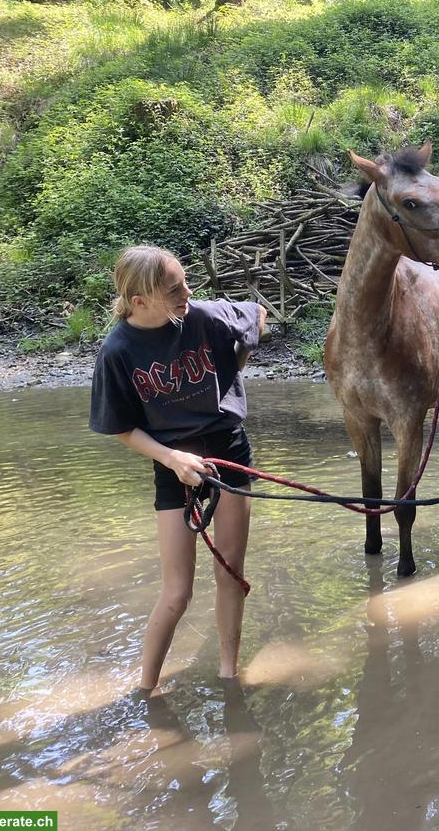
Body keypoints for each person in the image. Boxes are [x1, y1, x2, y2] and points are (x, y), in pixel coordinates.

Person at [89, 245, 266, 690]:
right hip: (173, 465)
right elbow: (121, 428)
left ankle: (229, 675)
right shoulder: (118, 351)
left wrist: (231, 373)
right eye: (175, 289)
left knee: (230, 573)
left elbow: (256, 316)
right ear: (140, 301)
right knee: (176, 593)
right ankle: (144, 691)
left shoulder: (202, 316)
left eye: (185, 281)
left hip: (228, 451)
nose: (189, 292)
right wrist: (171, 459)